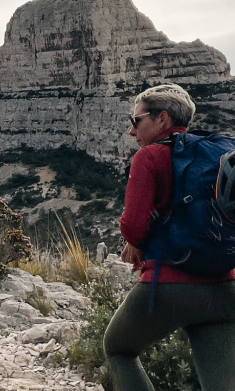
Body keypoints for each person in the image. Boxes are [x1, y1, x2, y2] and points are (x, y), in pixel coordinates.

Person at [103, 84, 235, 391]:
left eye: (136, 121)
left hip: (170, 286)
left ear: (161, 118)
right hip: (225, 289)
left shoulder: (149, 157)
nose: (131, 131)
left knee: (118, 349)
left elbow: (132, 226)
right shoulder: (219, 153)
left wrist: (136, 241)